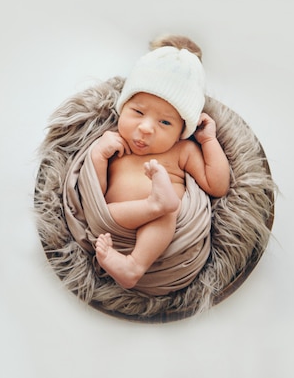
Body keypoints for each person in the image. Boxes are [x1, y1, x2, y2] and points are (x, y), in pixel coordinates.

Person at [90, 35, 230, 290]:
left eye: (165, 122)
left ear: (182, 131)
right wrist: (98, 156)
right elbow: (94, 192)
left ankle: (134, 265)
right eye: (138, 112)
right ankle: (153, 206)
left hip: (161, 232)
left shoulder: (182, 150)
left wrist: (209, 141)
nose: (145, 128)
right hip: (116, 221)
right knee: (112, 211)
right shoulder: (114, 142)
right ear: (123, 108)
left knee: (168, 211)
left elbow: (217, 186)